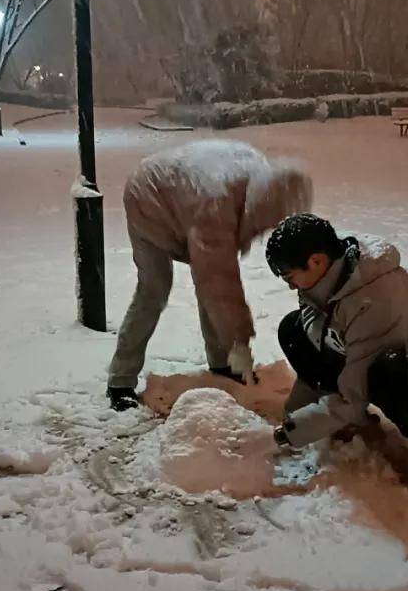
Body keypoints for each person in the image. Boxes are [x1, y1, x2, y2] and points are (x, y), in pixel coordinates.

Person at [264, 213, 408, 490]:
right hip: (381, 353)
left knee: (390, 371)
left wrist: (285, 435)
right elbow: (316, 335)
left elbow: (355, 395)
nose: (290, 285)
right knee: (294, 330)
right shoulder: (328, 275)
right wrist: (297, 413)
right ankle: (348, 421)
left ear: (316, 260)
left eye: (289, 277)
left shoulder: (375, 299)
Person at [107, 140, 312, 411]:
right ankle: (120, 381)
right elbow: (217, 281)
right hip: (147, 198)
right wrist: (239, 341)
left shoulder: (267, 182)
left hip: (182, 193)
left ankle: (221, 366)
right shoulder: (216, 204)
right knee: (154, 289)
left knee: (212, 281)